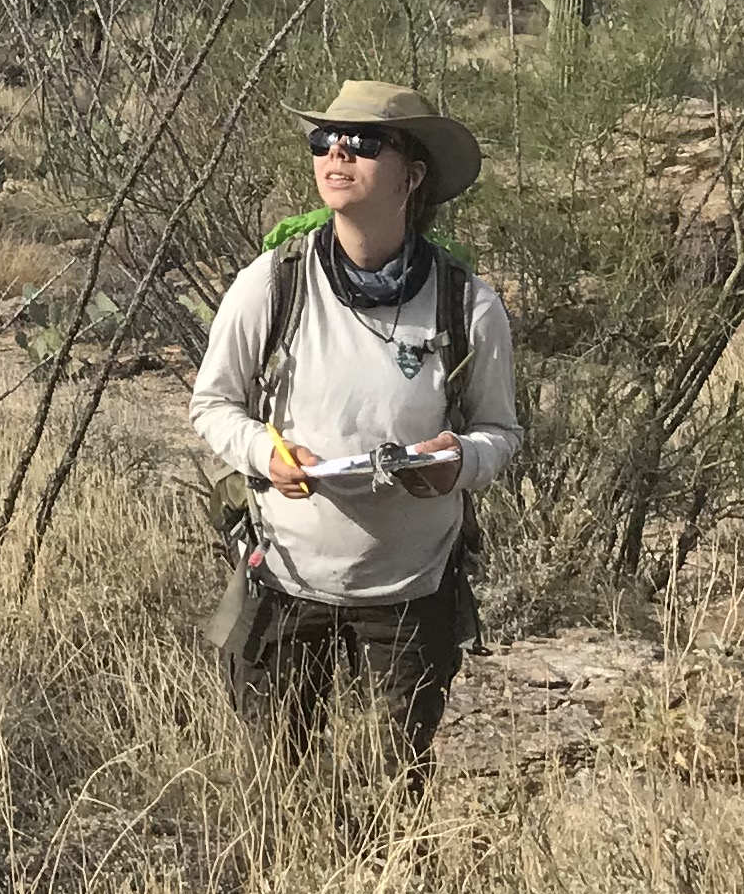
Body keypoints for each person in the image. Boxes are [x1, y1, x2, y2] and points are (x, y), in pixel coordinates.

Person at [187, 82, 520, 765]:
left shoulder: (467, 305)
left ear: (413, 174)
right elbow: (212, 405)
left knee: (388, 788)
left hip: (410, 594)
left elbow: (500, 433)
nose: (338, 152)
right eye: (325, 140)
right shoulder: (273, 282)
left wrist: (460, 462)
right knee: (279, 786)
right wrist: (263, 453)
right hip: (284, 581)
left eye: (365, 142)